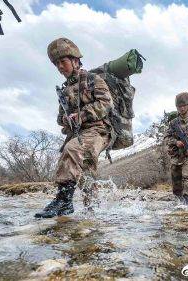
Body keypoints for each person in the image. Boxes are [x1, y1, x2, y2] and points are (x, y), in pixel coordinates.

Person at [35, 38, 113, 218]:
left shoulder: (94, 80)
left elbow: (106, 104)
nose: (60, 67)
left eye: (63, 62)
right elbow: (59, 118)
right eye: (56, 64)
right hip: (77, 133)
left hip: (98, 130)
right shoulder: (63, 91)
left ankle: (63, 201)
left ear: (76, 61)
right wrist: (65, 119)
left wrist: (81, 115)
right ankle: (92, 213)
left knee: (72, 150)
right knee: (85, 172)